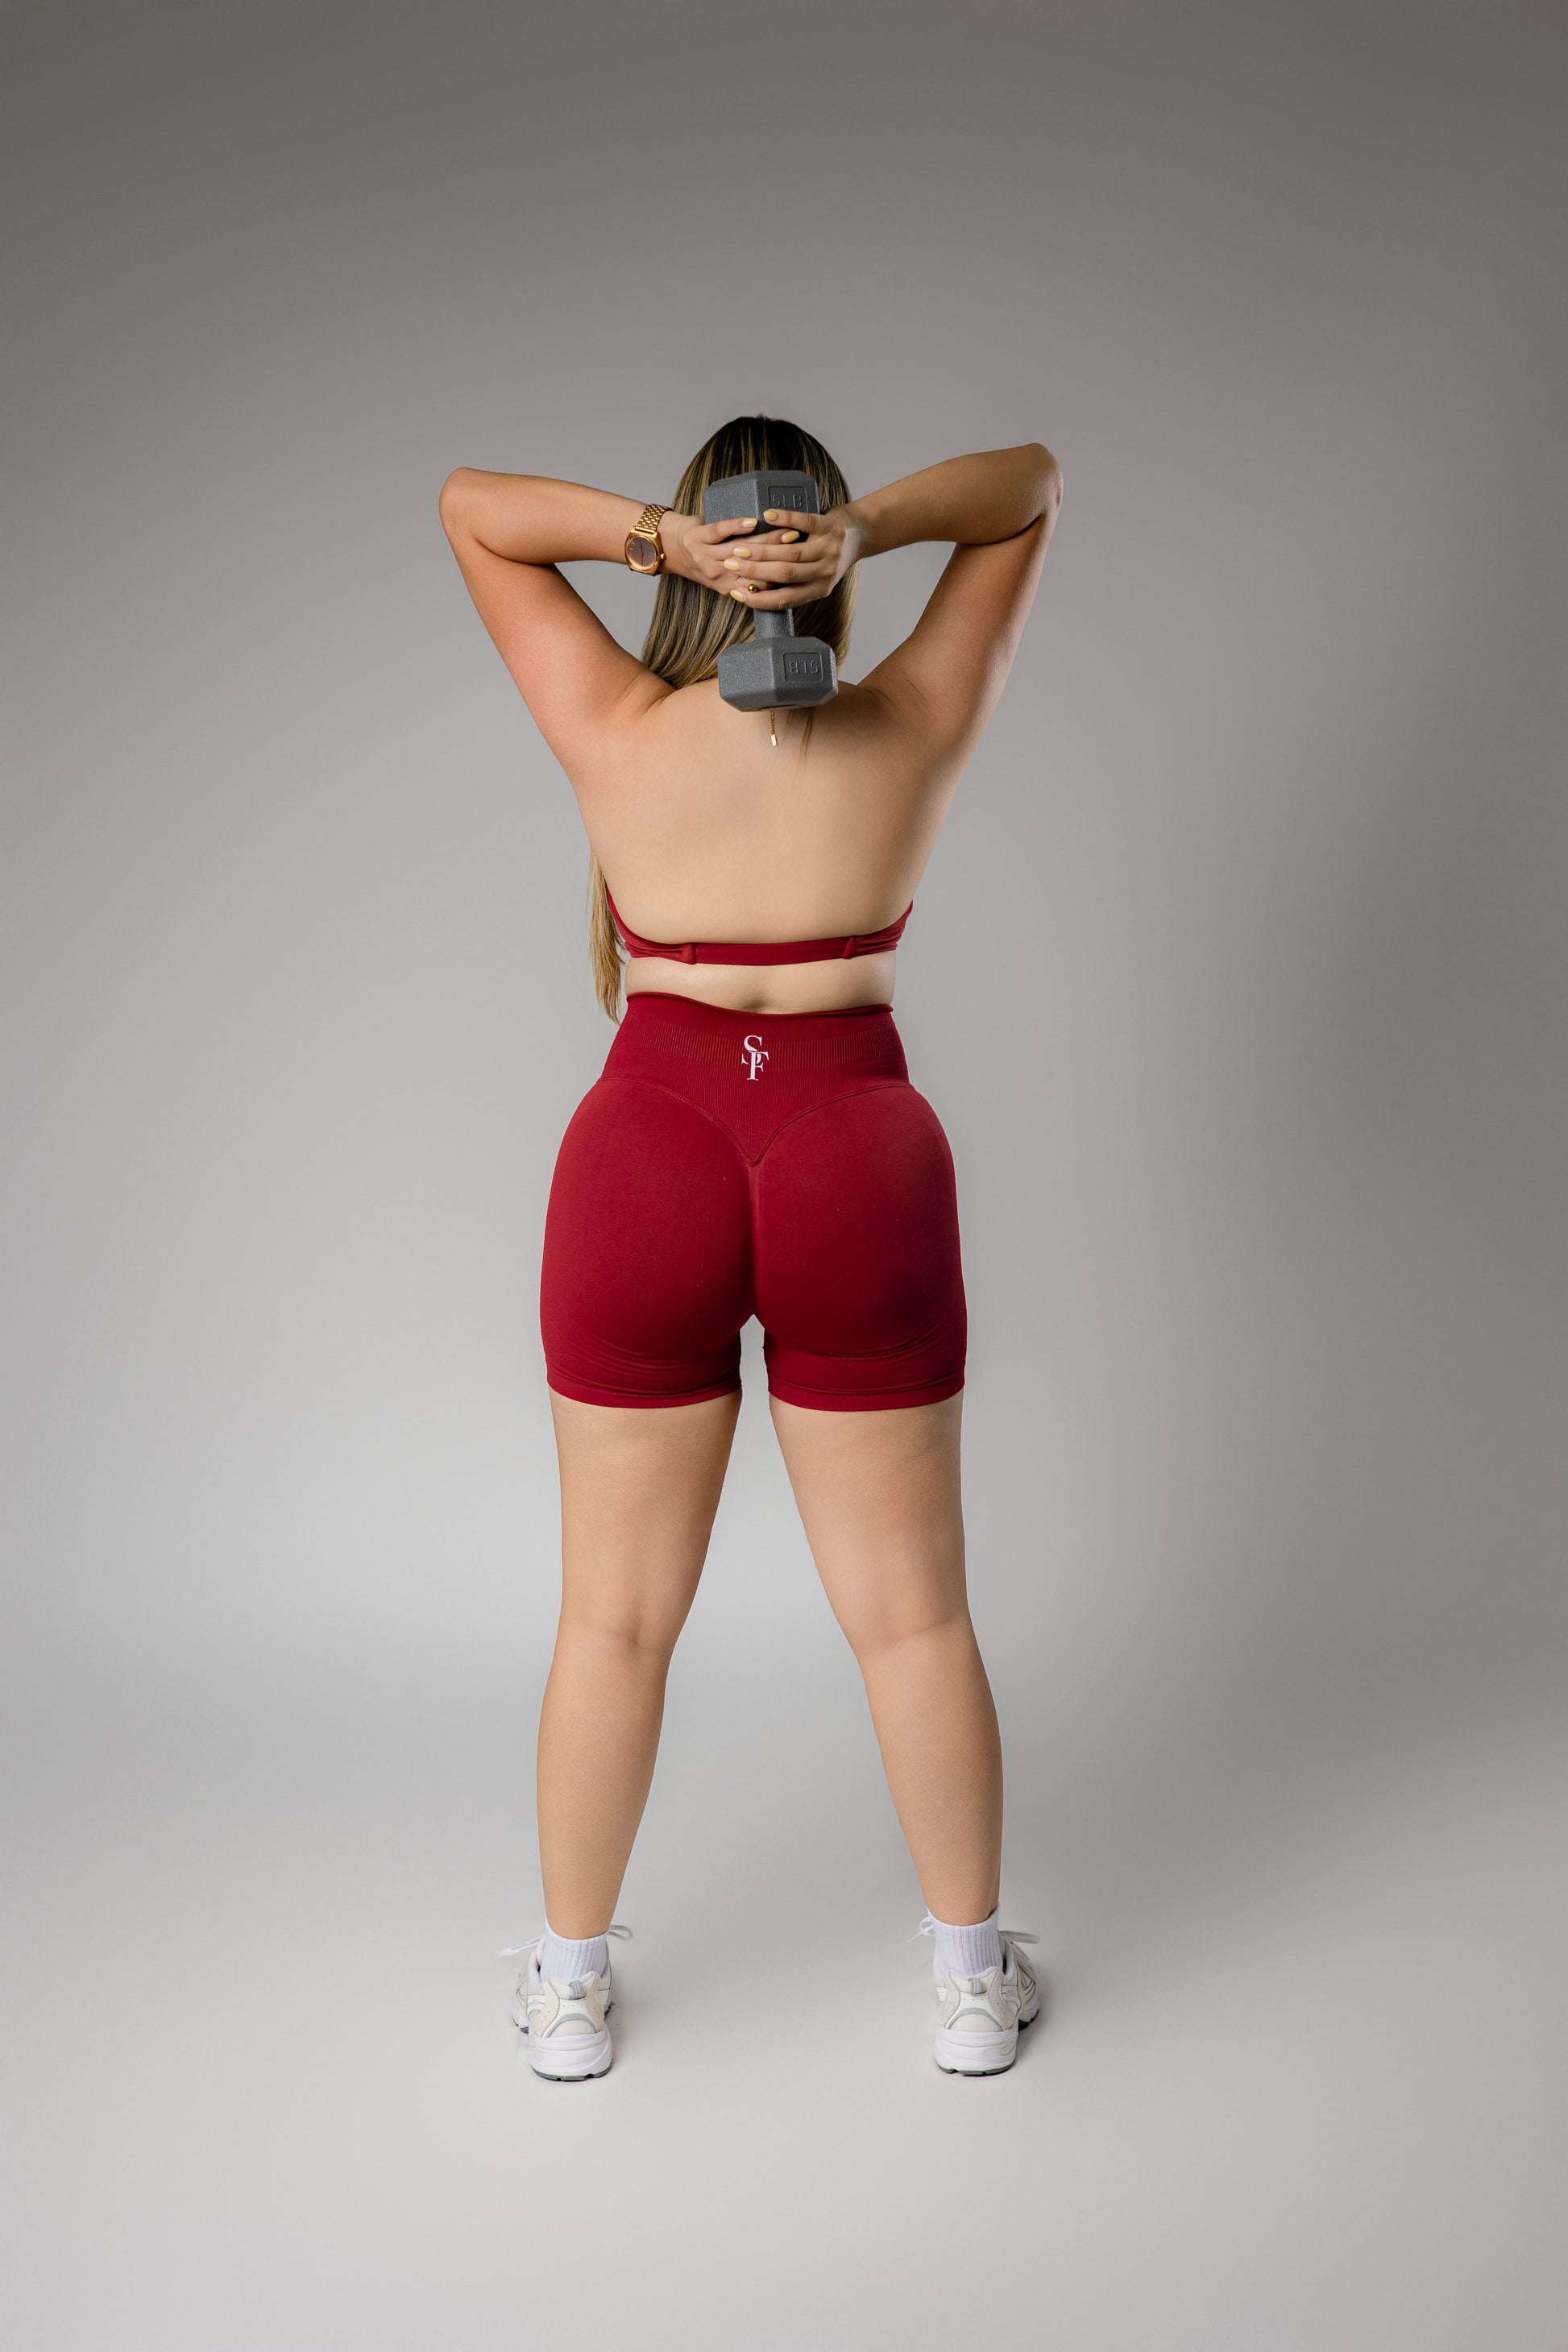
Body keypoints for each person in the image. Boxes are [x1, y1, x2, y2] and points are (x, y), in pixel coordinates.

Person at [440, 416, 1064, 2078]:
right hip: (857, 1151)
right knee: (913, 1618)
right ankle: (971, 1983)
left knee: (612, 1620)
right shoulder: (910, 724)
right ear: (816, 564)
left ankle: (567, 1988)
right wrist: (868, 528)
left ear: (698, 566)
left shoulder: (616, 725)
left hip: (646, 1154)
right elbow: (1029, 486)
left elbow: (471, 508)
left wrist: (658, 537)